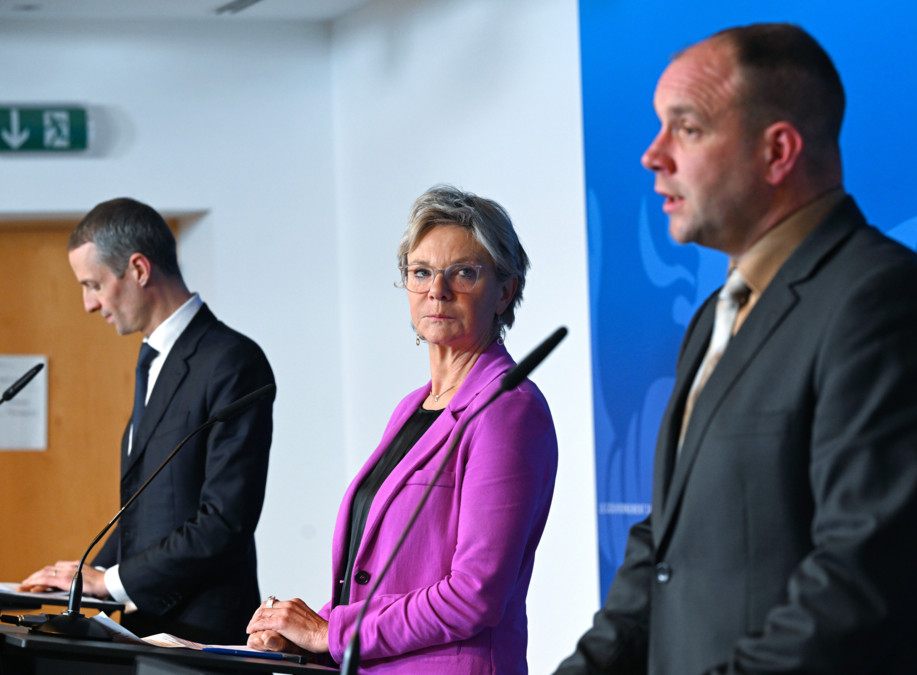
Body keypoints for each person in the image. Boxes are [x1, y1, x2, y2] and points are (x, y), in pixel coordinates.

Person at [556, 23, 917, 674]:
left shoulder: (886, 302)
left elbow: (855, 587)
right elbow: (661, 546)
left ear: (777, 150)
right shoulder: (713, 318)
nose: (653, 154)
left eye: (687, 128)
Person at [245, 185, 558, 673]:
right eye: (421, 273)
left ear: (505, 290)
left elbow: (473, 595)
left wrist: (331, 633)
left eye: (464, 274)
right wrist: (301, 632)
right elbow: (387, 581)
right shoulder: (413, 408)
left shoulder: (508, 411)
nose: (437, 290)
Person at [20, 197, 276, 644]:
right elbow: (150, 506)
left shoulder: (232, 361)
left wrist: (112, 581)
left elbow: (224, 521)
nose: (87, 304)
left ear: (138, 269)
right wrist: (85, 575)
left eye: (93, 285)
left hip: (203, 634)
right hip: (148, 628)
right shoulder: (154, 359)